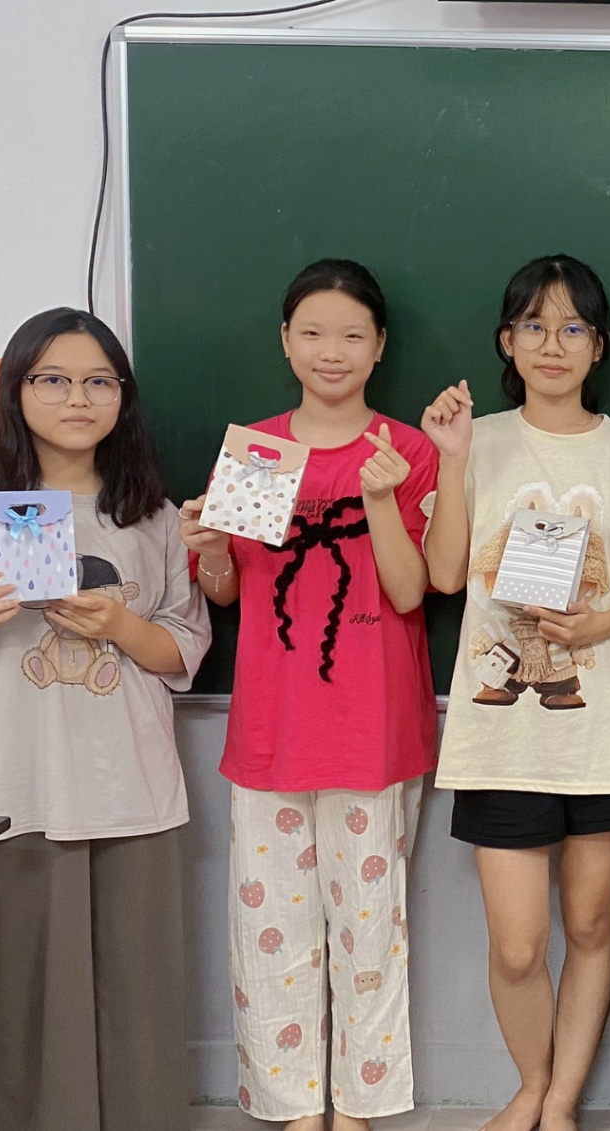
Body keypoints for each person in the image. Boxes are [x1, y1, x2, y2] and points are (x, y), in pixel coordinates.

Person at [0, 307, 210, 1131]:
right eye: (54, 380)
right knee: (23, 1002)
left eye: (100, 381)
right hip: (9, 792)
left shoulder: (152, 514)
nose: (78, 398)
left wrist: (119, 625)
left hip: (129, 791)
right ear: (17, 388)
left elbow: (182, 648)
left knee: (137, 998)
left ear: (123, 396)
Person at [180, 258, 439, 1131]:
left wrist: (379, 497)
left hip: (373, 727)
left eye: (353, 334)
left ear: (380, 346)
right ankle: (293, 1107)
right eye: (314, 332)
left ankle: (359, 1106)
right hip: (271, 726)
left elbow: (409, 591)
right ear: (285, 341)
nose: (333, 351)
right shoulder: (256, 451)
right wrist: (210, 551)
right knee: (270, 930)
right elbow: (227, 591)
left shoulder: (403, 451)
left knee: (371, 929)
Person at [419, 255, 610, 1131]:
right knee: (519, 942)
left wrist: (595, 626)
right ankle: (530, 1081)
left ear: (599, 345)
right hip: (499, 735)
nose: (552, 344)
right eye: (533, 325)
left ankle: (558, 1102)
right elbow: (442, 572)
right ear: (506, 340)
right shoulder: (474, 440)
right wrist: (450, 460)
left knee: (592, 924)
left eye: (572, 327)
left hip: (599, 724)